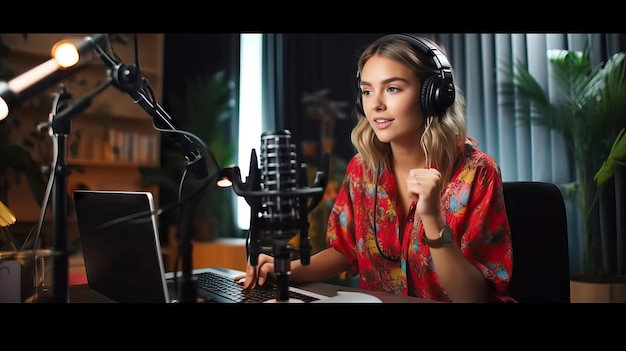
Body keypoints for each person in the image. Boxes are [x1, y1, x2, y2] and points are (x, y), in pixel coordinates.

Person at [234, 33, 515, 303]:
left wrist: (433, 219)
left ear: (433, 95)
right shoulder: (362, 170)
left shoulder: (477, 172)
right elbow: (344, 250)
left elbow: (472, 297)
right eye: (367, 91)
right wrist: (286, 269)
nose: (376, 104)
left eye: (392, 88)